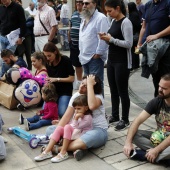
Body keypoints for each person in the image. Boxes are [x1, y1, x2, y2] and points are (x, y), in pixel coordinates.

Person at [34, 75, 108, 161]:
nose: (81, 86)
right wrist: (57, 131)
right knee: (50, 130)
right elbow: (66, 116)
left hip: (96, 130)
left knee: (89, 138)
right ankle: (78, 148)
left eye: (85, 86)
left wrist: (90, 85)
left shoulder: (98, 97)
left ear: (92, 88)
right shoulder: (76, 95)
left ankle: (57, 149)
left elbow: (91, 106)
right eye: (81, 83)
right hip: (77, 129)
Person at [99, 0, 133, 130]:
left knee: (122, 90)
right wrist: (106, 38)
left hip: (122, 61)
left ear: (118, 8)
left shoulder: (126, 22)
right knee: (113, 90)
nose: (108, 14)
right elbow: (112, 41)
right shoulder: (113, 21)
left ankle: (125, 119)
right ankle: (115, 115)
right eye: (107, 11)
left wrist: (111, 39)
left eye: (110, 11)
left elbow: (129, 44)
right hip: (112, 60)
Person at [124, 73, 170, 164]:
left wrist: (156, 150)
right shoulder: (157, 101)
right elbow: (137, 121)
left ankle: (143, 155)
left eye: (164, 88)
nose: (160, 90)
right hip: (159, 138)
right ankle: (162, 158)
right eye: (159, 86)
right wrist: (128, 143)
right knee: (134, 133)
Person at [35, 94, 93, 162]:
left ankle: (63, 152)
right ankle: (47, 151)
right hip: (74, 133)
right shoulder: (78, 113)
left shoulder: (88, 118)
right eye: (75, 108)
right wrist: (59, 121)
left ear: (86, 108)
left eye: (79, 108)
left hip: (80, 135)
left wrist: (76, 118)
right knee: (59, 128)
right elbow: (72, 123)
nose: (76, 111)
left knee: (67, 127)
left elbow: (76, 126)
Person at [136, 0, 170, 97]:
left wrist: (156, 35)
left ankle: (166, 105)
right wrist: (139, 44)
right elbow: (144, 27)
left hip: (165, 48)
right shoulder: (148, 5)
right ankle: (159, 104)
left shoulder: (167, 3)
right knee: (155, 78)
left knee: (166, 77)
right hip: (151, 48)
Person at [79, 0, 109, 92]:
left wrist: (98, 54)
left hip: (94, 58)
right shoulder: (84, 18)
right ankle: (90, 105)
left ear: (95, 4)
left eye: (87, 3)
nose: (84, 5)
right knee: (87, 85)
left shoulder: (101, 18)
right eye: (83, 3)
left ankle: (98, 106)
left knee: (96, 85)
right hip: (84, 56)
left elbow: (103, 38)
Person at [43, 42, 75, 117]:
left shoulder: (65, 60)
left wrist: (57, 79)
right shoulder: (47, 62)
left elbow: (71, 78)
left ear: (55, 52)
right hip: (53, 91)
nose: (47, 58)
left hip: (65, 91)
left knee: (62, 113)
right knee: (45, 111)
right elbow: (48, 75)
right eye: (46, 56)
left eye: (49, 56)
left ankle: (67, 104)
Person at [0, 0, 26, 76]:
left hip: (13, 38)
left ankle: (2, 76)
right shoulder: (1, 8)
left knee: (7, 58)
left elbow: (23, 23)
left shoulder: (18, 7)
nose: (3, 1)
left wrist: (21, 37)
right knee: (4, 59)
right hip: (2, 36)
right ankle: (9, 75)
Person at [68, 0, 83, 90]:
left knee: (80, 64)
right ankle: (78, 81)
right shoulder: (74, 14)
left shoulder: (86, 15)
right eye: (77, 2)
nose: (78, 4)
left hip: (81, 44)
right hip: (73, 43)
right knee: (75, 63)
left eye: (80, 2)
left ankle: (81, 81)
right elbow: (71, 26)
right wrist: (69, 38)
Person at [128, 2, 141, 70]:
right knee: (136, 50)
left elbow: (136, 24)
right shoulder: (136, 13)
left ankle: (134, 65)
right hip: (136, 34)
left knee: (133, 50)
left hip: (134, 34)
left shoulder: (132, 15)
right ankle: (136, 64)